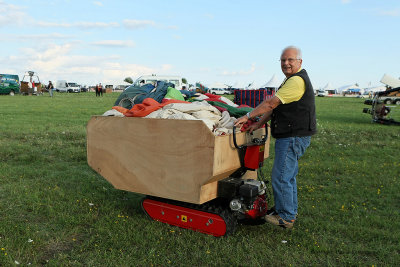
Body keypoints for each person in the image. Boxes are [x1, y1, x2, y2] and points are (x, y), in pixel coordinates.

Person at [234, 46, 317, 229]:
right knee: (288, 176)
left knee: (281, 176)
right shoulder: (290, 81)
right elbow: (276, 108)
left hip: (293, 136)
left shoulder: (296, 81)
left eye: (290, 60)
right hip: (293, 134)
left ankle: (286, 216)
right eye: (283, 60)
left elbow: (271, 103)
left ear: (299, 62)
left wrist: (248, 116)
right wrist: (258, 123)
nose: (286, 63)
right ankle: (285, 210)